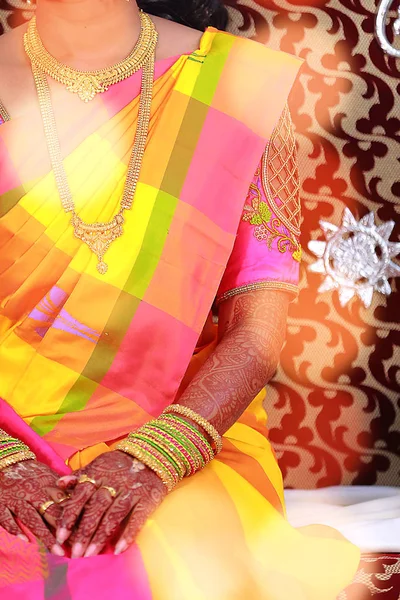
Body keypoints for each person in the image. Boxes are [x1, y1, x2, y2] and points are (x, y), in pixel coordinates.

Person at [0, 0, 360, 598]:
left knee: (155, 564)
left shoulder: (236, 89)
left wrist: (154, 459)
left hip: (174, 422)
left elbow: (256, 331)